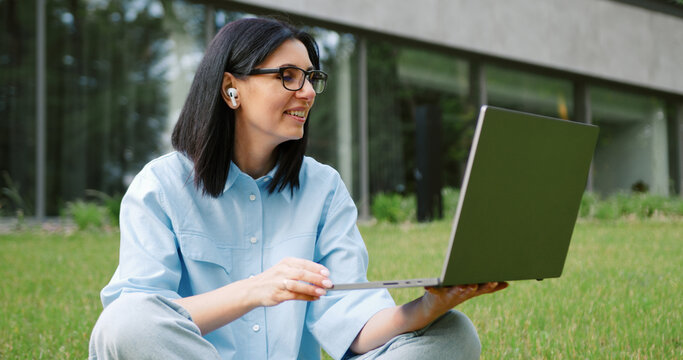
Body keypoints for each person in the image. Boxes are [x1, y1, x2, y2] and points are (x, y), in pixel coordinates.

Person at [88, 17, 507, 360]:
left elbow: (351, 322)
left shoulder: (323, 188)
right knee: (125, 321)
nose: (307, 92)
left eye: (310, 77)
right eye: (287, 76)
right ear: (231, 88)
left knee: (452, 334)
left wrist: (428, 306)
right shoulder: (160, 187)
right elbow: (141, 322)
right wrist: (253, 290)